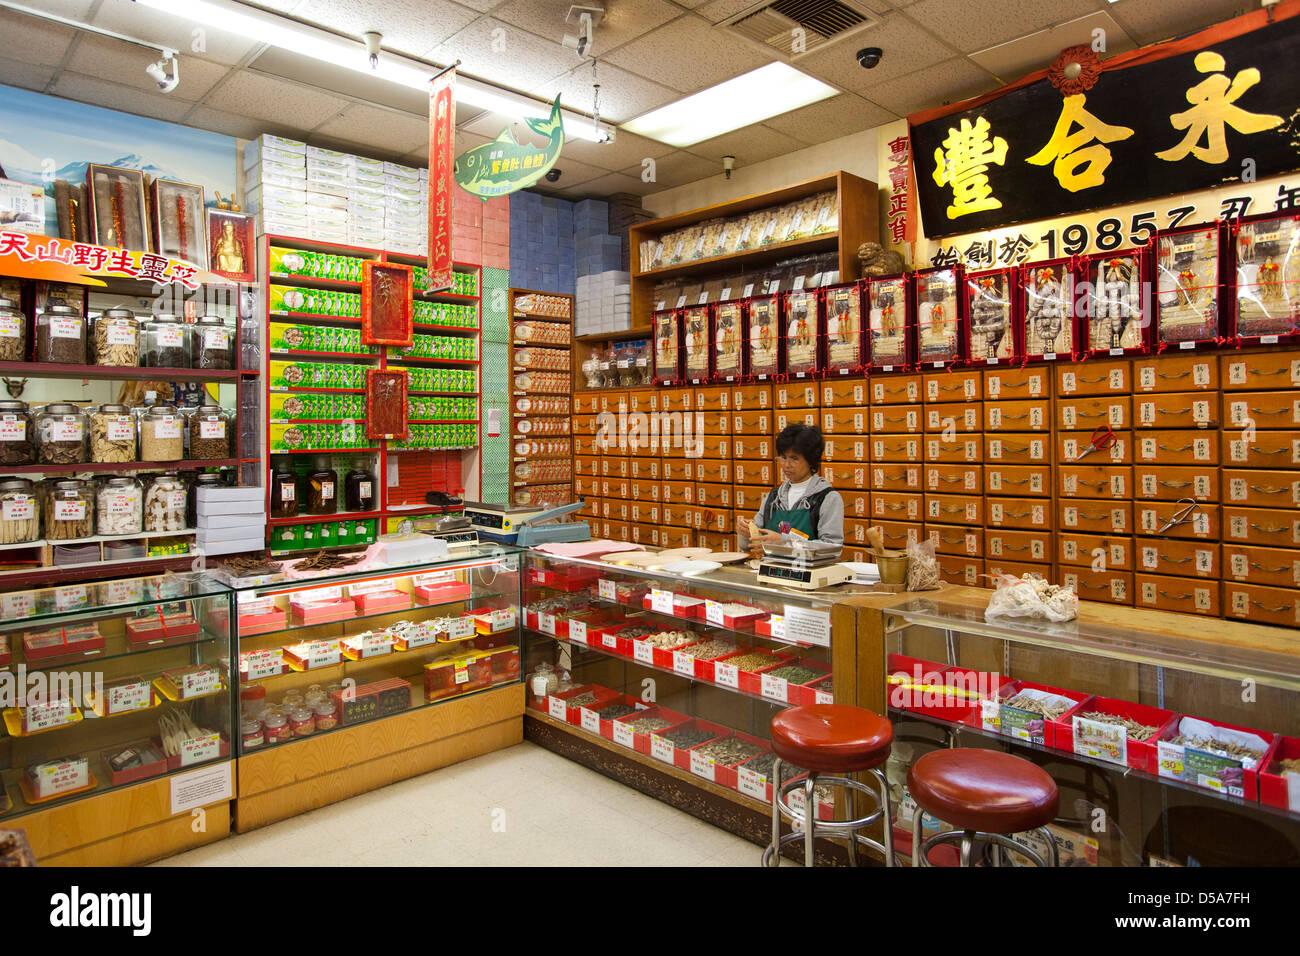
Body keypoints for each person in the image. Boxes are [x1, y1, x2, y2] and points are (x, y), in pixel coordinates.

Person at [740, 423, 844, 552]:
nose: (787, 465)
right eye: (783, 457)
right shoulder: (773, 497)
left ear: (811, 461)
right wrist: (746, 533)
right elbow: (748, 546)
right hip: (772, 569)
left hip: (810, 571)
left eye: (794, 459)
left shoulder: (827, 498)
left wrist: (783, 543)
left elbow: (832, 548)